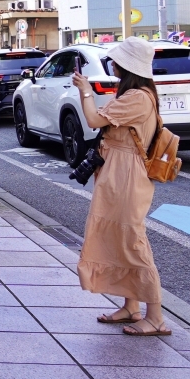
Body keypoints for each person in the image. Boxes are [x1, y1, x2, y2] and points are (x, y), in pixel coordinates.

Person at [72, 37, 172, 336]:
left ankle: (156, 317)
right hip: (118, 172)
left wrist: (86, 91)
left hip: (127, 175)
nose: (112, 64)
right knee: (119, 238)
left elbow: (92, 120)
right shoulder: (132, 94)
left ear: (128, 66)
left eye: (116, 60)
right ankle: (131, 306)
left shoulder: (138, 98)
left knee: (133, 241)